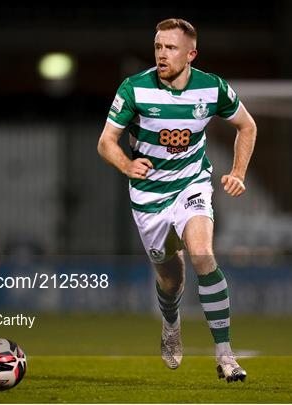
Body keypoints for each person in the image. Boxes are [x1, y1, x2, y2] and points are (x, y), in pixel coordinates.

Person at [97, 18, 256, 382]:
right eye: (157, 46)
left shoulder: (212, 88)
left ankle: (226, 356)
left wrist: (239, 172)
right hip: (149, 195)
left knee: (202, 255)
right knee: (171, 279)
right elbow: (106, 141)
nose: (162, 54)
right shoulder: (134, 89)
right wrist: (126, 163)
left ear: (191, 54)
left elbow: (247, 126)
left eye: (170, 48)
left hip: (192, 183)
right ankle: (171, 322)